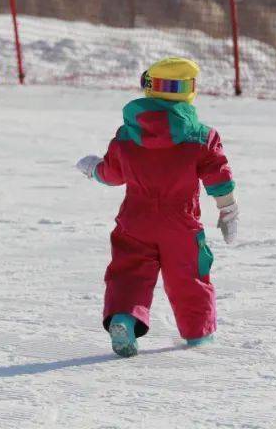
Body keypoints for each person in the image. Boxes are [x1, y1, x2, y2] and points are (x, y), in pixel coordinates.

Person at [74, 57, 240, 357]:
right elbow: (219, 178)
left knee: (129, 273)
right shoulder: (202, 137)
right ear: (189, 91)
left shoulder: (128, 135)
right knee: (189, 277)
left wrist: (93, 168)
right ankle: (198, 335)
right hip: (181, 225)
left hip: (135, 222)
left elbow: (112, 174)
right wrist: (228, 210)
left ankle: (124, 318)